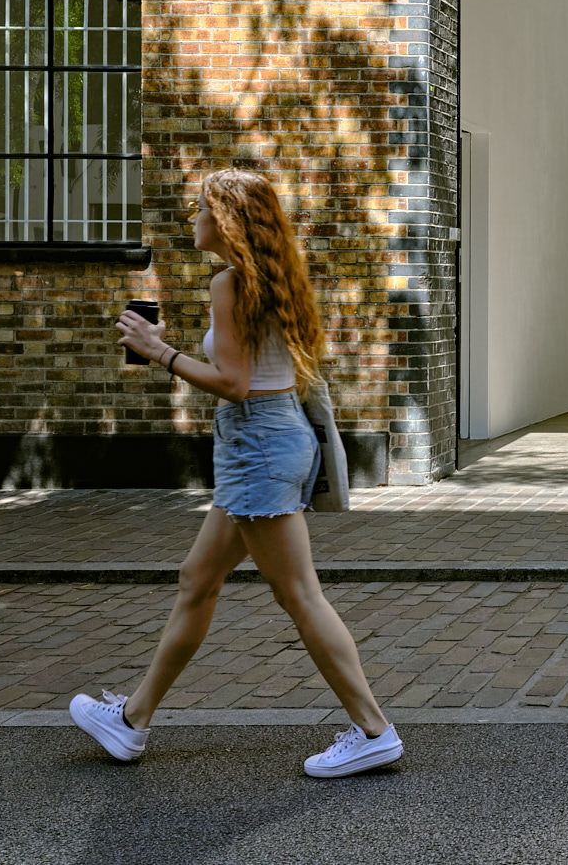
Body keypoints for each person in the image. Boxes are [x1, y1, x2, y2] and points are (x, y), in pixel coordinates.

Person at [68, 166, 404, 777]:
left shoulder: (229, 282)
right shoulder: (270, 276)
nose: (192, 217)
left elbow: (234, 383)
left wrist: (158, 351)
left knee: (299, 594)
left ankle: (374, 730)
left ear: (225, 220)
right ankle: (132, 721)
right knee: (197, 579)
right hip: (271, 438)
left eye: (201, 208)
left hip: (258, 445)